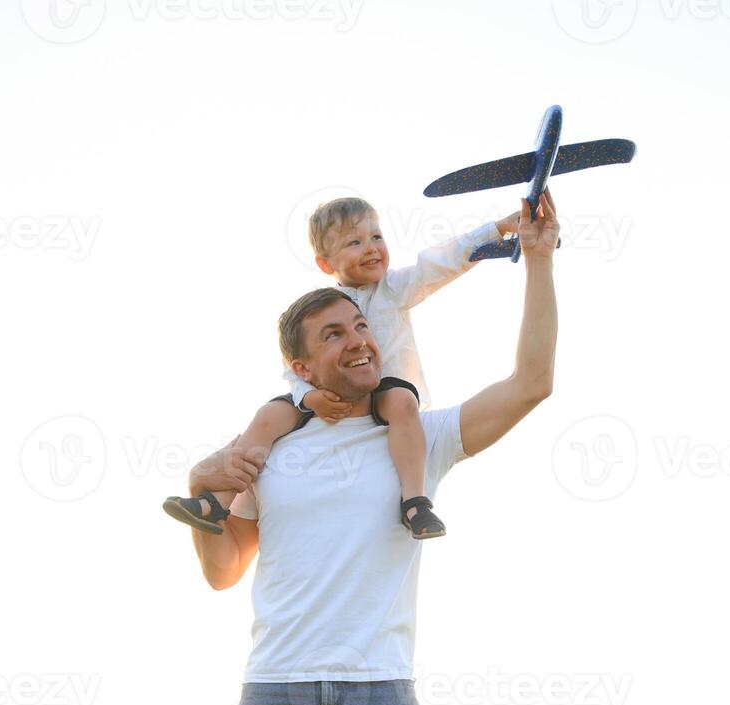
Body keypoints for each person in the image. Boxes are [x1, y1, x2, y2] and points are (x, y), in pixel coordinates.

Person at [183, 191, 560, 705]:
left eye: (361, 327)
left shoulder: (417, 439)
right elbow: (223, 572)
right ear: (299, 364)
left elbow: (530, 382)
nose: (360, 340)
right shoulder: (269, 451)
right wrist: (199, 495)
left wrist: (536, 258)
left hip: (381, 693)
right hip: (274, 693)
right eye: (335, 334)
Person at [165, 196, 518, 540]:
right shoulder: (326, 309)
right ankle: (215, 502)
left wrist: (497, 229)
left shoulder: (394, 288)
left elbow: (441, 261)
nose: (371, 248)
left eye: (376, 237)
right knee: (267, 418)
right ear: (325, 263)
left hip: (385, 388)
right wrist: (310, 397)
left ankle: (415, 501)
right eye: (354, 242)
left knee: (402, 403)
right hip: (327, 393)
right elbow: (294, 367)